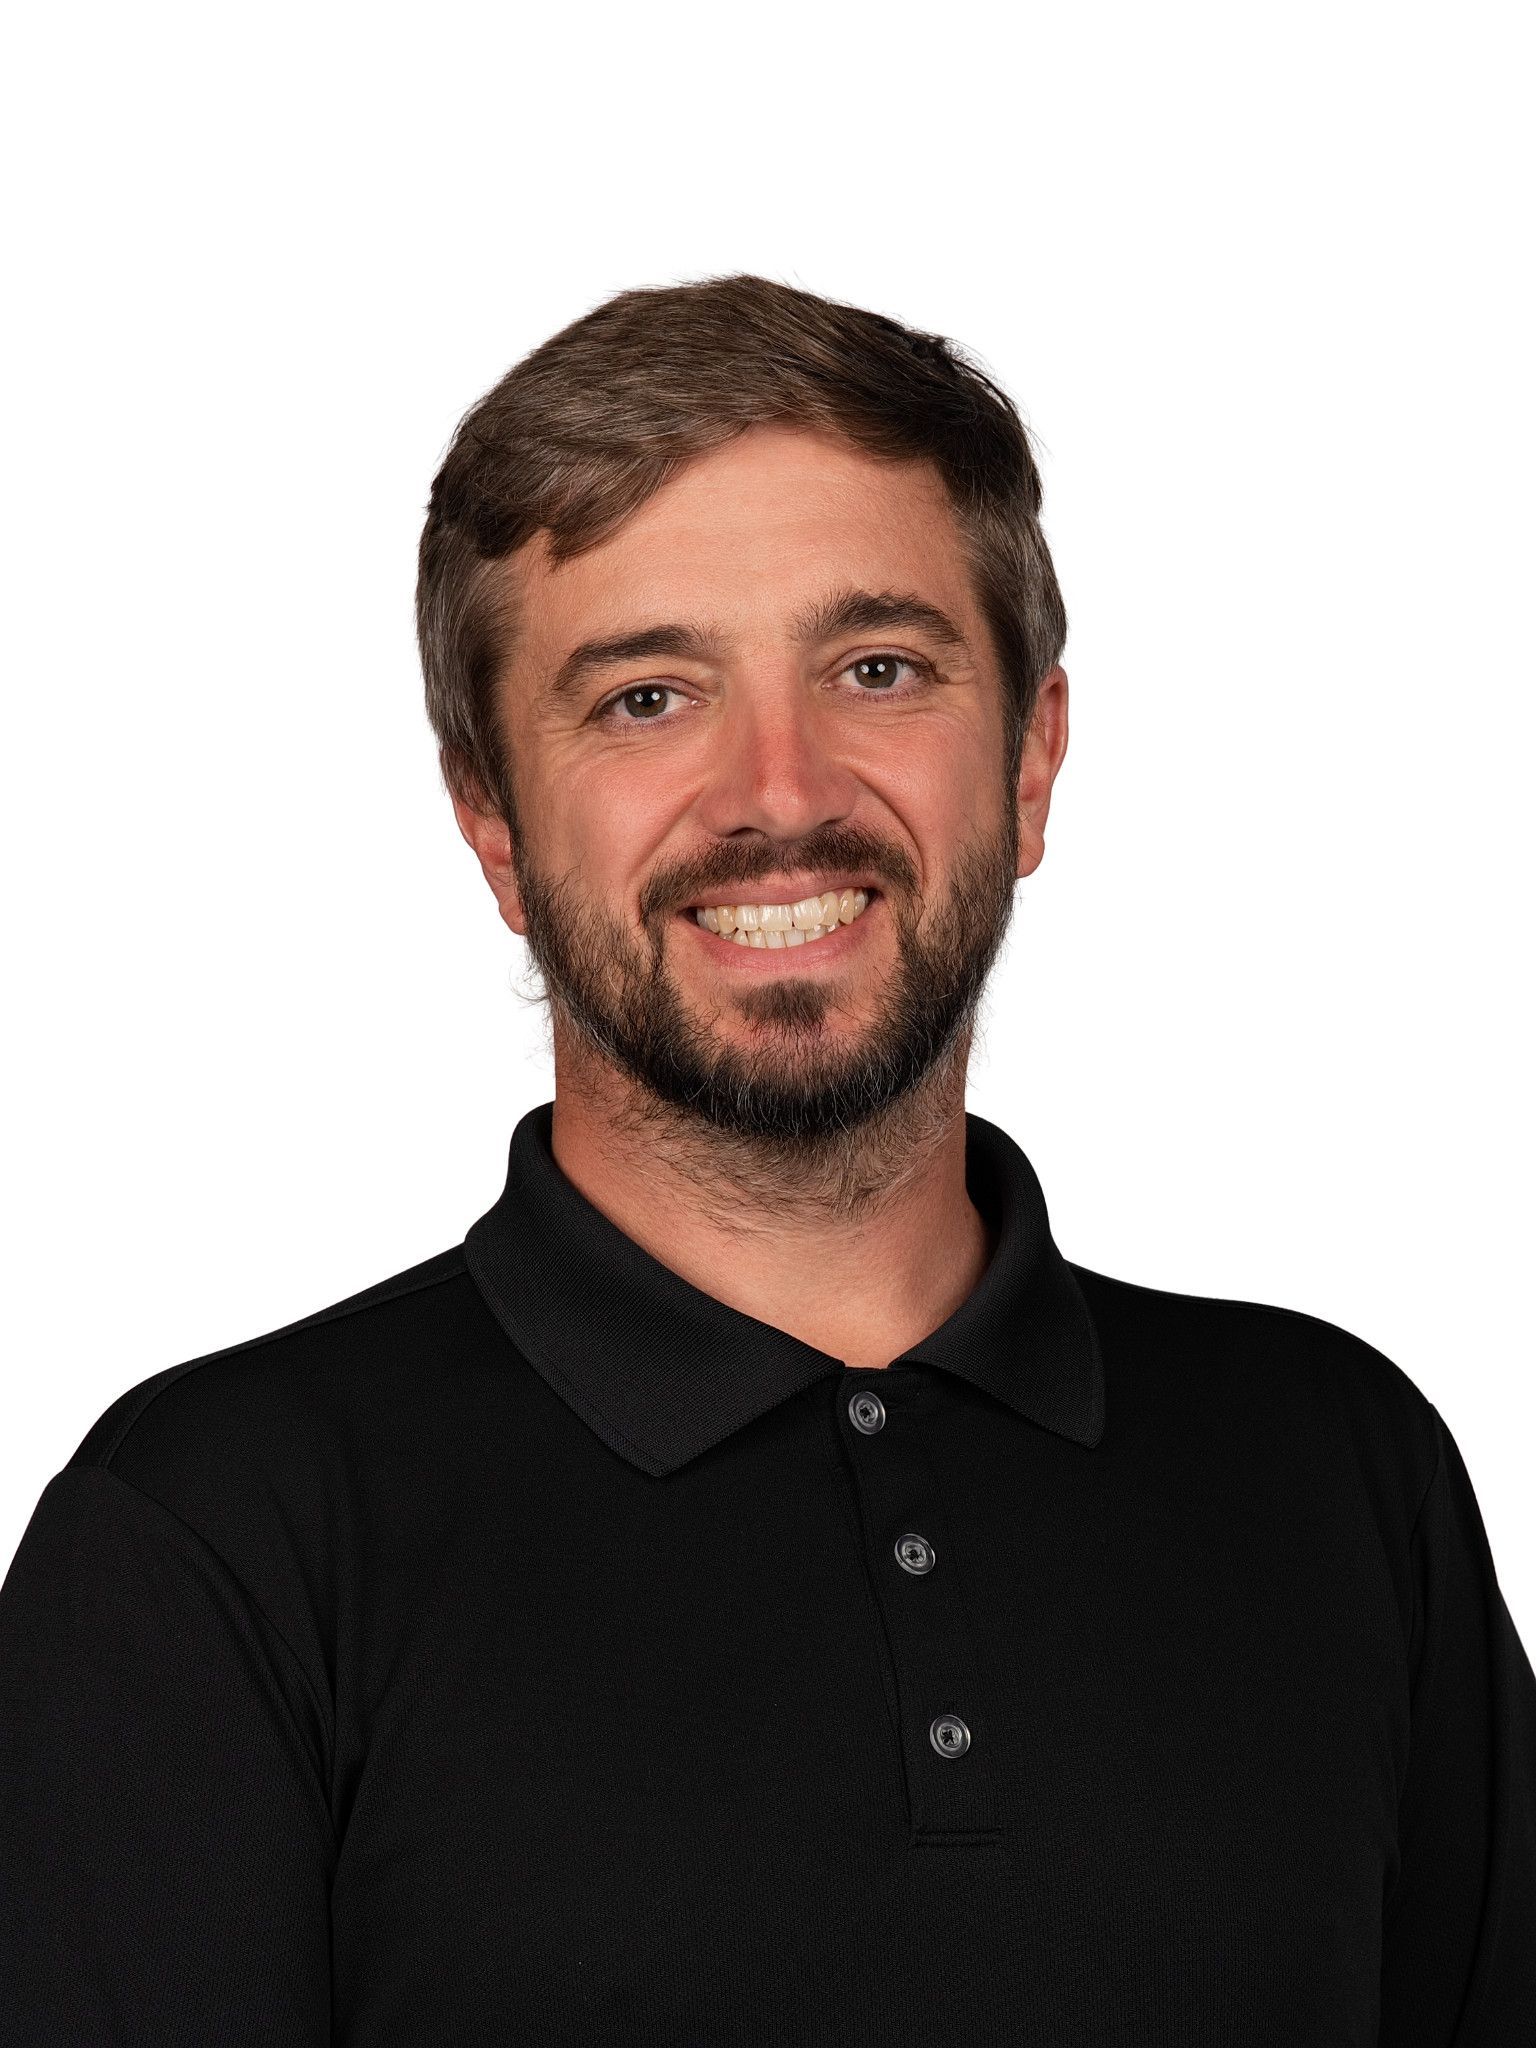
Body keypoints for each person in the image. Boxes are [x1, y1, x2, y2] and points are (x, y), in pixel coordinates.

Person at [2, 273, 1532, 2045]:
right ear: (492, 823)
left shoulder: (1340, 1470)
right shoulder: (216, 1539)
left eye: (877, 669)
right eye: (648, 698)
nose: (776, 789)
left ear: (1031, 761)